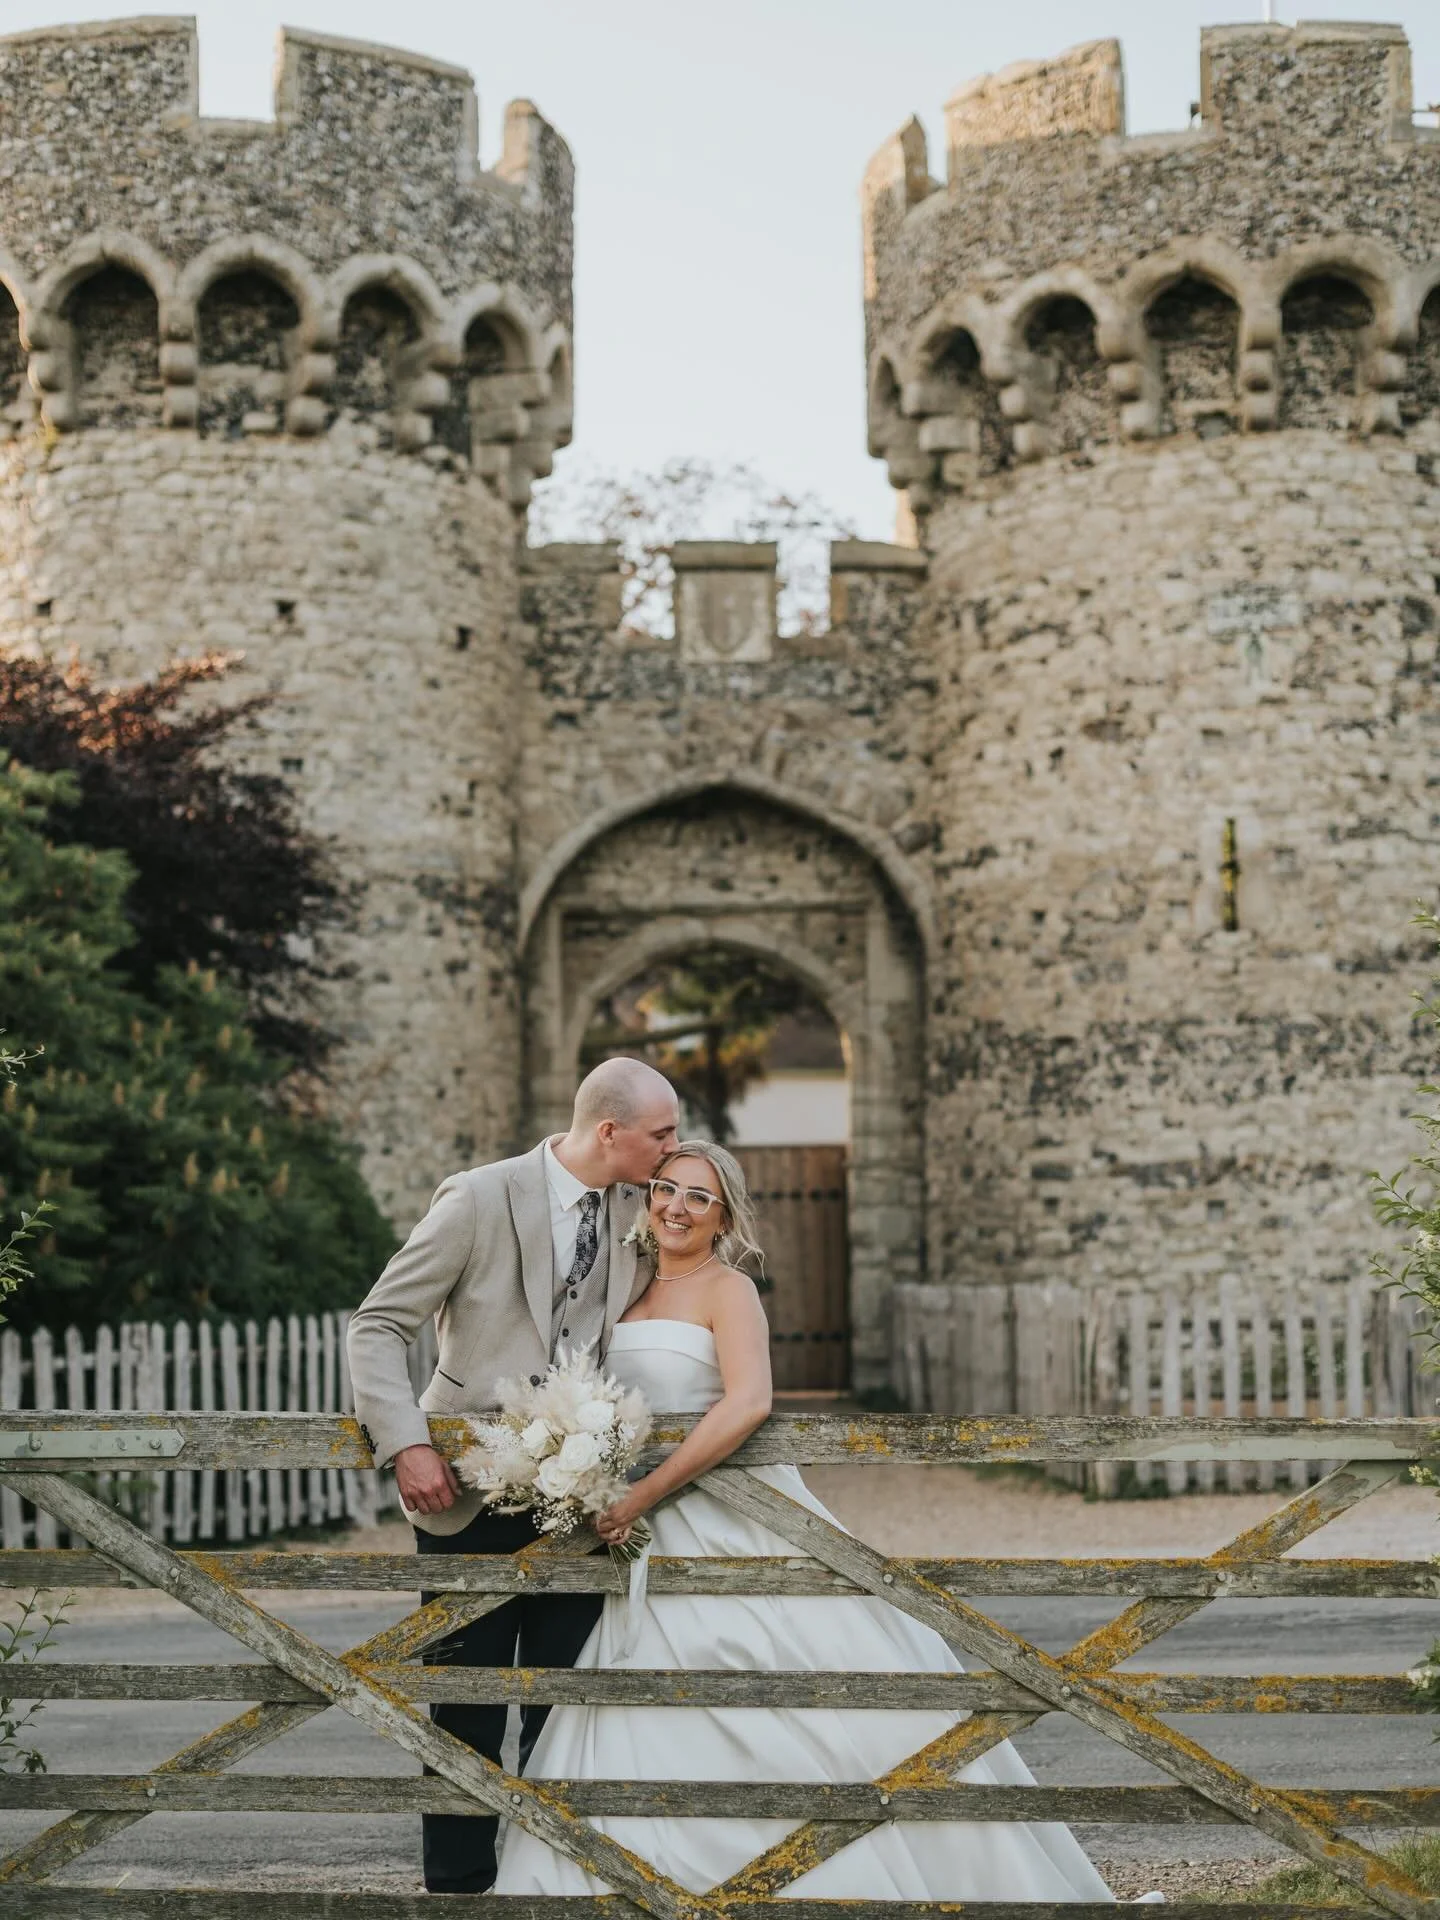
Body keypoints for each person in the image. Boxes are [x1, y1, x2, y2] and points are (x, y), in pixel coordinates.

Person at [495, 1142, 1159, 1905]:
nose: (676, 1206)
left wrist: (645, 1496)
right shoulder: (624, 1287)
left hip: (726, 1516)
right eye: (665, 1189)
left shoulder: (728, 1290)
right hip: (641, 1539)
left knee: (777, 1679)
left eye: (698, 1198)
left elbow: (747, 1405)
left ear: (724, 1216)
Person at [345, 1058, 679, 1897]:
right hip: (463, 1495)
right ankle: (457, 1891)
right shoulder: (479, 1198)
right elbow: (377, 1326)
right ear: (610, 1131)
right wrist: (407, 1445)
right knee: (464, 1708)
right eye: (662, 1133)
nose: (674, 1150)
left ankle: (549, 1885)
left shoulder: (645, 1207)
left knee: (563, 1707)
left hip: (581, 1502)